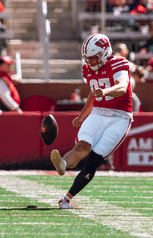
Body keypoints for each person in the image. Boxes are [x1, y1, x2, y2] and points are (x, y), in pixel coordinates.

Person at [50, 34, 133, 209]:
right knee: (81, 147)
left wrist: (106, 91)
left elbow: (122, 86)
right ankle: (63, 165)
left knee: (94, 159)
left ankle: (67, 198)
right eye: (87, 57)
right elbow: (92, 93)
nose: (90, 61)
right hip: (99, 112)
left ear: (104, 53)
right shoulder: (88, 69)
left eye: (93, 57)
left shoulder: (118, 63)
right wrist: (82, 115)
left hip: (120, 117)